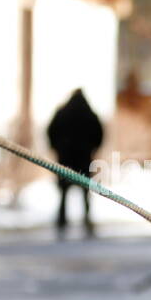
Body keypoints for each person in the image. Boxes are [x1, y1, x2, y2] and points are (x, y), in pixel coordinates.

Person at [45, 89, 104, 236]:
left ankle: (62, 220)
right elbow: (99, 133)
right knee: (85, 192)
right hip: (84, 158)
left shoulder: (62, 113)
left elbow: (50, 130)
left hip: (65, 158)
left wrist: (56, 147)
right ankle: (87, 219)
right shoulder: (90, 114)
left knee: (64, 192)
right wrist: (93, 148)